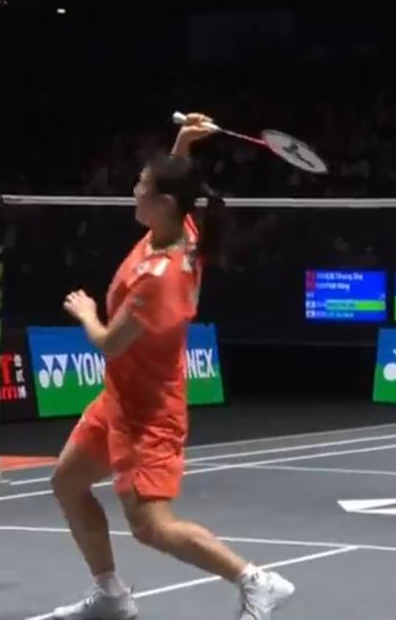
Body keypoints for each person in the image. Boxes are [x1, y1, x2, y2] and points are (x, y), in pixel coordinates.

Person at [34, 113, 294, 620]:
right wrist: (184, 141)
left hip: (148, 415)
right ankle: (111, 595)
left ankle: (257, 581)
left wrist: (86, 313)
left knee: (151, 526)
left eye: (142, 186)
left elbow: (109, 344)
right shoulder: (181, 229)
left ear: (165, 204)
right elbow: (179, 182)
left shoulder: (161, 278)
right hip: (119, 400)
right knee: (67, 482)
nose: (134, 191)